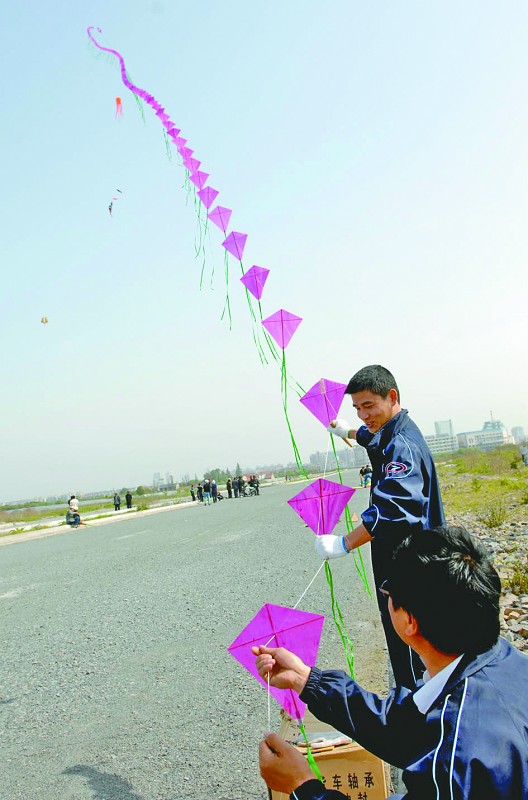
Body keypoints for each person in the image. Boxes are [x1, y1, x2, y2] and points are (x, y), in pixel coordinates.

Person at [255, 526, 528, 800]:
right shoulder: (500, 659)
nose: (385, 597)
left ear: (409, 621)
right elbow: (405, 727)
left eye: (388, 592)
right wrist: (306, 680)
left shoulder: (453, 760)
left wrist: (303, 787)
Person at [320, 364, 444, 688]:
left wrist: (343, 544)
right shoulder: (388, 433)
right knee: (405, 637)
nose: (364, 415)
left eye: (369, 406)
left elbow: (392, 511)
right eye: (357, 408)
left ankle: (418, 710)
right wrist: (346, 431)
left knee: (411, 640)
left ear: (392, 397)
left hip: (410, 560)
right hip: (399, 555)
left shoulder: (401, 443)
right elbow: (371, 440)